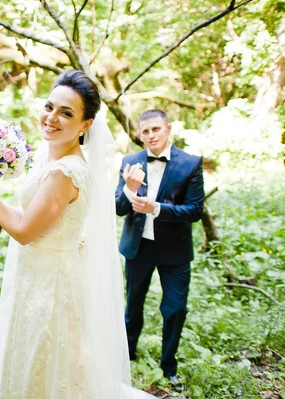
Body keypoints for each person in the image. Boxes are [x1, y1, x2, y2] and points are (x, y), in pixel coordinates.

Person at [0, 70, 155, 398]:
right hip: (41, 275)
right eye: (49, 107)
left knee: (45, 360)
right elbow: (32, 218)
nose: (52, 117)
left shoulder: (66, 172)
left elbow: (25, 231)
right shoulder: (53, 160)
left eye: (66, 113)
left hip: (50, 284)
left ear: (86, 125)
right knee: (38, 359)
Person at [115, 109, 205, 388]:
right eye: (145, 131)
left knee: (175, 308)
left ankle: (169, 367)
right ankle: (127, 357)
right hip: (138, 247)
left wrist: (157, 208)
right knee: (133, 306)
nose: (151, 135)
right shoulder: (130, 161)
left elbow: (194, 210)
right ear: (140, 135)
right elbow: (118, 208)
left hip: (174, 252)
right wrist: (129, 190)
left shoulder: (190, 163)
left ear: (168, 129)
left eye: (156, 129)